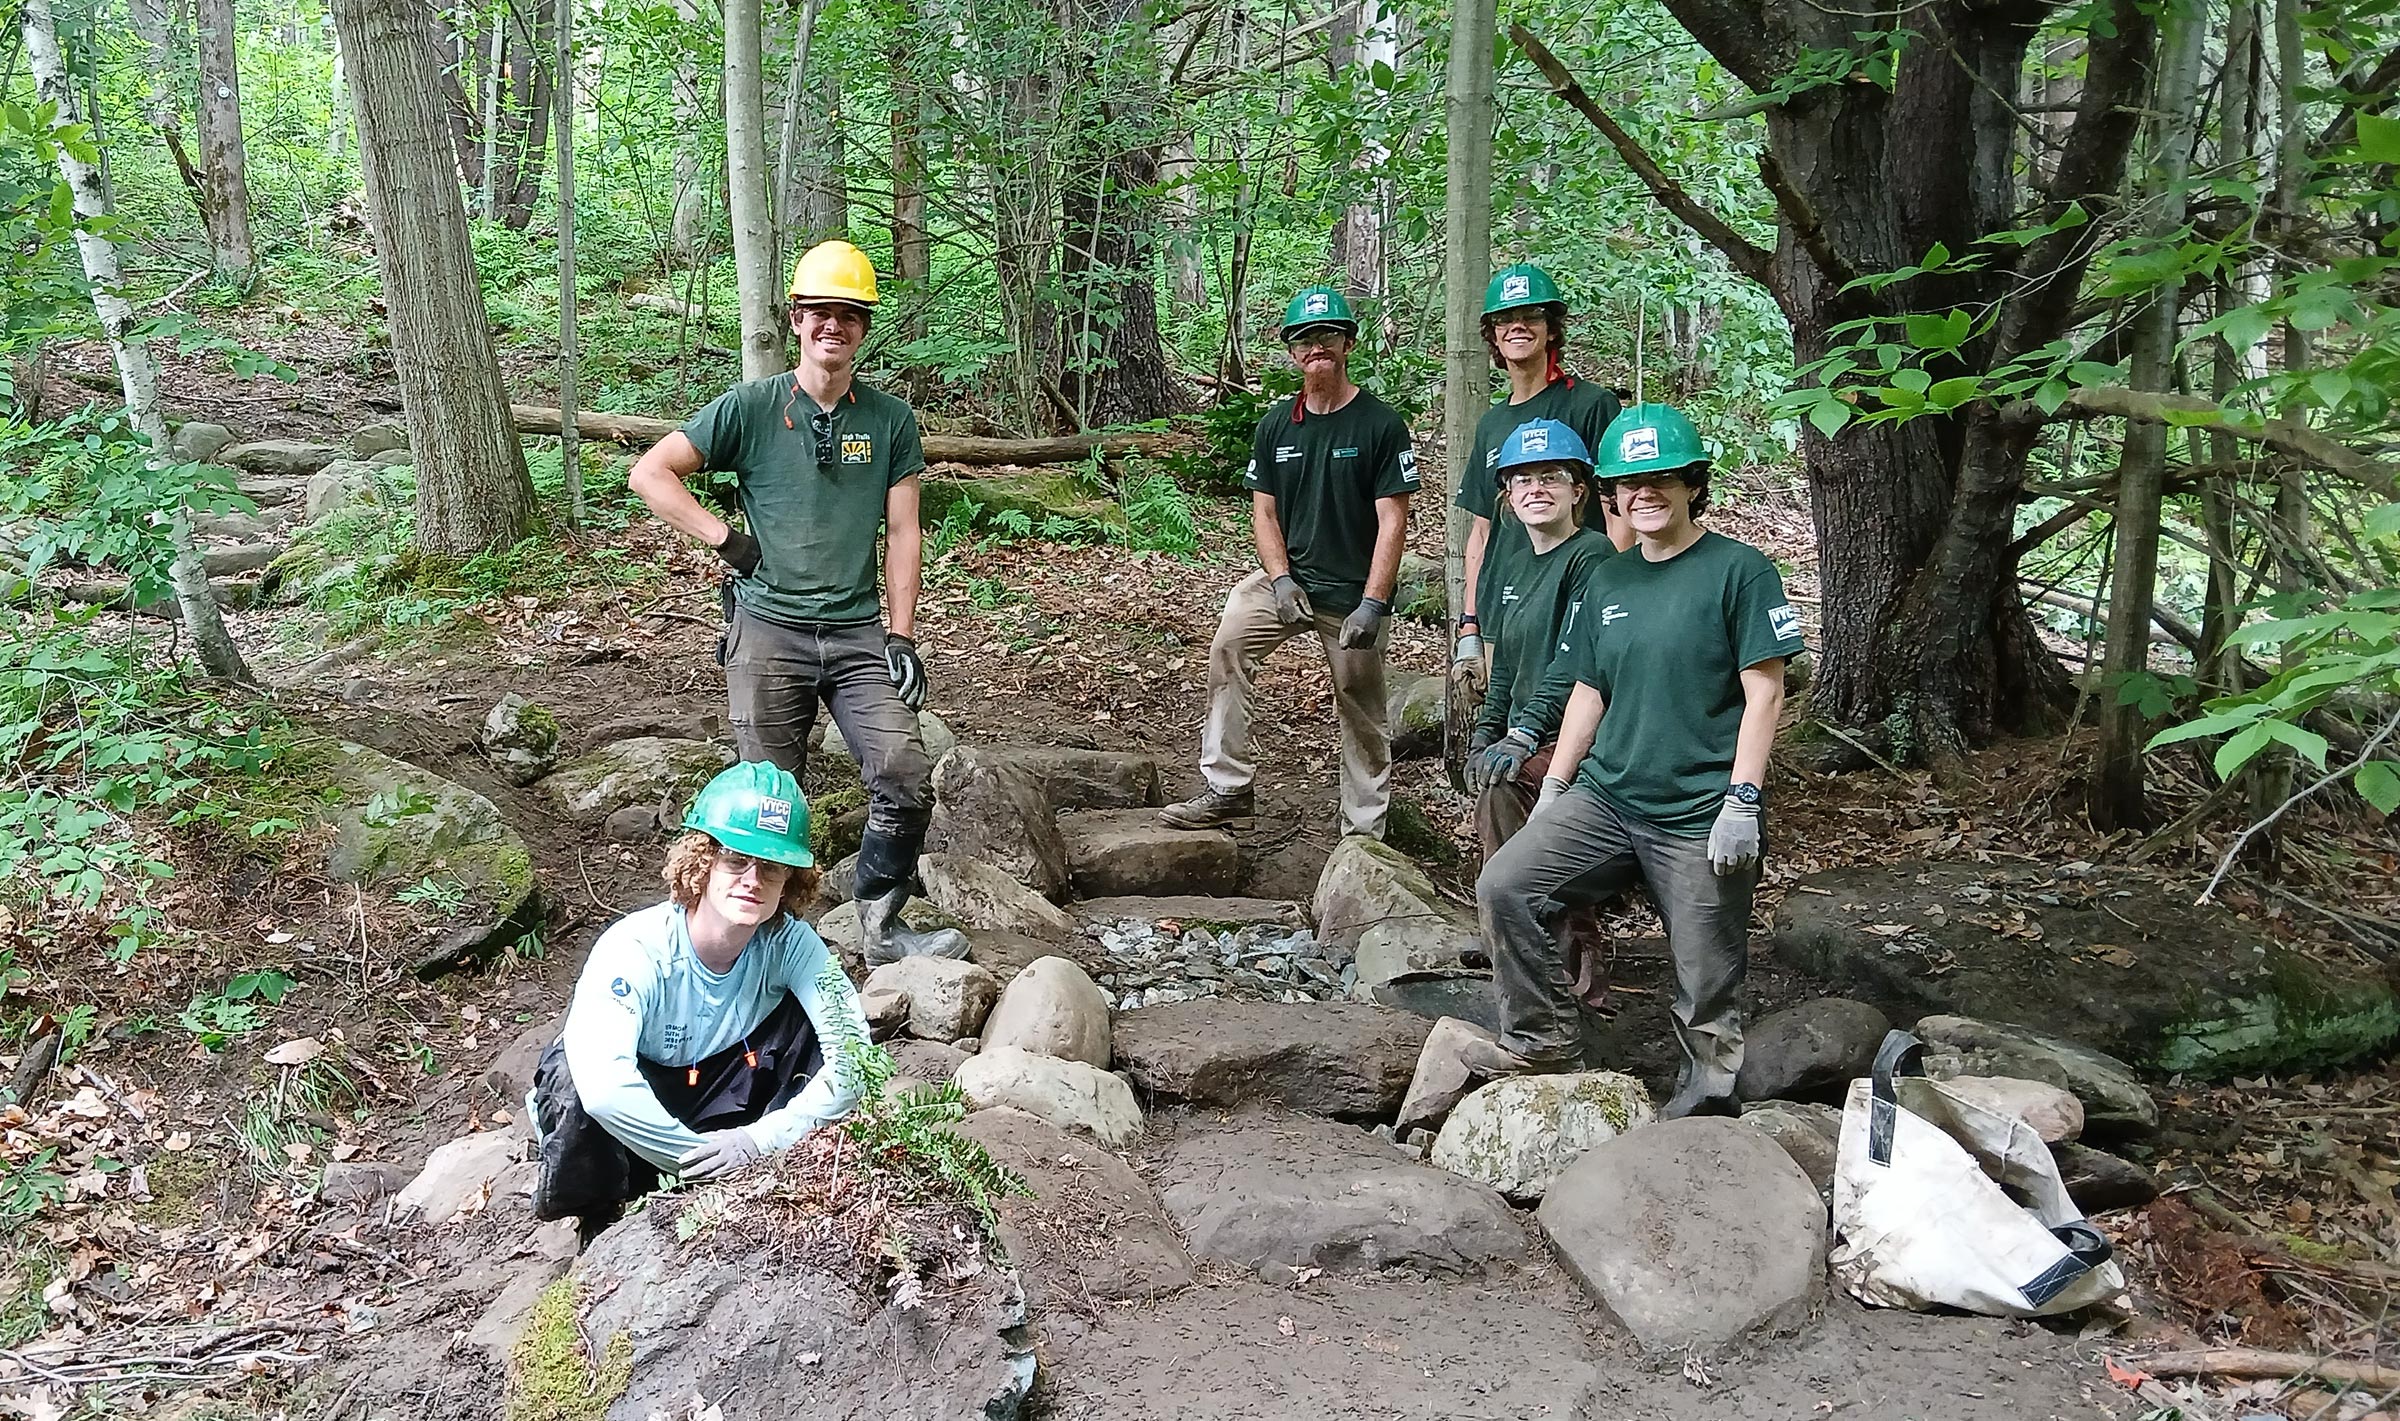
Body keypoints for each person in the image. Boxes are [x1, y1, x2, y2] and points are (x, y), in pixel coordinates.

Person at [628, 238, 964, 966]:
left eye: (848, 315)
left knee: (904, 772)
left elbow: (904, 531)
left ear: (863, 328)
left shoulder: (889, 420)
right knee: (767, 803)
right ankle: (763, 949)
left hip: (855, 633)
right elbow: (650, 473)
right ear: (796, 318)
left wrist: (901, 637)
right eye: (819, 313)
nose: (832, 327)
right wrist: (727, 539)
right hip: (768, 630)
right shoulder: (750, 408)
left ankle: (879, 921)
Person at [1466, 403, 1804, 1119]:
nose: (1645, 494)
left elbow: (1764, 692)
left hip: (1697, 808)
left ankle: (1709, 1094)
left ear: (1691, 485)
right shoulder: (1611, 580)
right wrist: (1555, 786)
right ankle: (1547, 1037)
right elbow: (1589, 689)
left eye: (1662, 479)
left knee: (1705, 976)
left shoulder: (1739, 571)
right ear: (1611, 495)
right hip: (1608, 796)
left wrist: (1743, 799)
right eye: (1630, 483)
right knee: (1506, 885)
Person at [529, 761, 872, 1227]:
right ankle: (600, 1221)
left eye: (771, 868)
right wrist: (696, 1164)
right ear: (702, 863)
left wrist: (759, 1143)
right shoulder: (635, 948)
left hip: (728, 1100)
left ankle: (772, 1188)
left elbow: (856, 1060)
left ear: (790, 882)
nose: (752, 880)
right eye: (736, 860)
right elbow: (606, 1090)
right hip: (637, 1110)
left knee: (809, 1030)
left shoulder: (795, 946)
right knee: (574, 1074)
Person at [1158, 284, 1417, 838]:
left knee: (1360, 701)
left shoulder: (1380, 424)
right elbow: (1265, 514)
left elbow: (1393, 520)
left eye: (1327, 335)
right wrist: (1278, 580)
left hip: (1353, 590)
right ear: (1292, 353)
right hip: (1290, 578)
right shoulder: (1278, 425)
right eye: (1304, 339)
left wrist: (1373, 604)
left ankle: (1365, 833)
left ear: (1348, 343)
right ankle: (1228, 787)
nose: (1316, 346)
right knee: (1229, 643)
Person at [1460, 418, 1616, 1008]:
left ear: (1578, 489)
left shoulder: (1592, 555)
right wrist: (1486, 732)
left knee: (1515, 798)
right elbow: (1504, 663)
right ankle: (1513, 938)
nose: (1535, 488)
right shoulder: (1511, 560)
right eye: (1521, 479)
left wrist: (1524, 734)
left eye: (1550, 476)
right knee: (1493, 783)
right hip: (1526, 731)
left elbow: (1576, 660)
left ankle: (1575, 953)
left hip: (1580, 730)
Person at [1451, 263, 1624, 680]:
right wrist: (1470, 621)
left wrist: (1614, 597)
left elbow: (1619, 513)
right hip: (1502, 613)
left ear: (1551, 328)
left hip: (1575, 603)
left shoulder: (1590, 405)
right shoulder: (1491, 425)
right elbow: (1481, 531)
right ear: (1492, 333)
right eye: (1505, 319)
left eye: (1531, 315)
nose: (1518, 326)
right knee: (1504, 728)